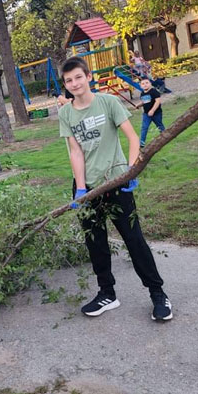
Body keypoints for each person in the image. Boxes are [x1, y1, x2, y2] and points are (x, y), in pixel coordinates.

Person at [58, 56, 172, 322]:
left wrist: (130, 171)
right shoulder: (65, 113)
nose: (74, 83)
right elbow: (75, 151)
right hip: (88, 187)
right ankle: (107, 293)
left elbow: (132, 137)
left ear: (88, 77)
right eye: (68, 80)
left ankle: (158, 293)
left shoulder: (108, 102)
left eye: (78, 77)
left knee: (134, 240)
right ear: (65, 85)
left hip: (117, 182)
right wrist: (81, 189)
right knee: (95, 242)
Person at [136, 77, 166, 148]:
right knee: (144, 127)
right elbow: (144, 101)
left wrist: (152, 110)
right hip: (146, 114)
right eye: (143, 84)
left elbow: (158, 101)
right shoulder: (142, 93)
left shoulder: (154, 91)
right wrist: (138, 105)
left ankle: (165, 135)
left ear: (150, 84)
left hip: (156, 113)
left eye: (147, 83)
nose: (145, 85)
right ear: (140, 86)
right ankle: (142, 142)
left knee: (159, 125)